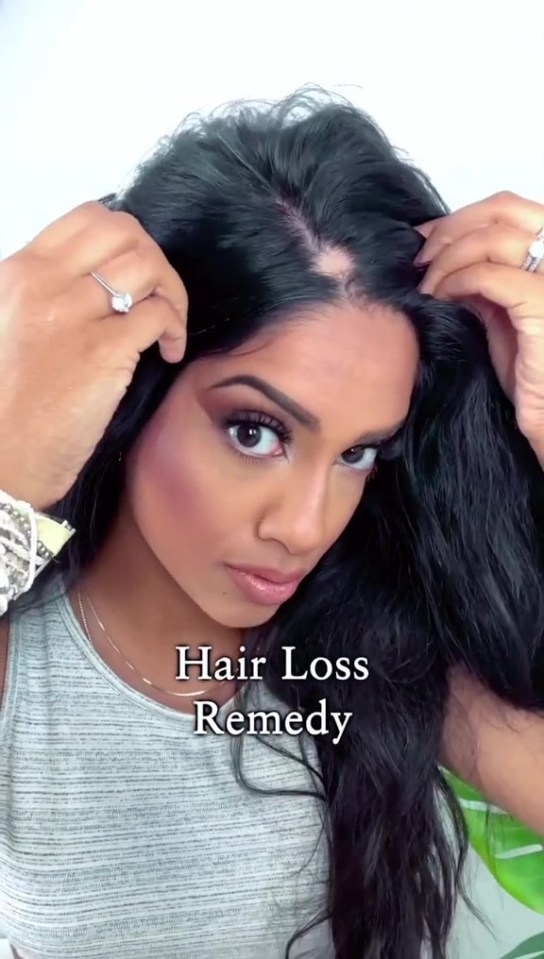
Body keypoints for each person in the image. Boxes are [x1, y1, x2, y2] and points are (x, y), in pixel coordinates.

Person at [0, 91, 543, 959]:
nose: (304, 526)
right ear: (133, 390)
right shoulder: (24, 668)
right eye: (255, 432)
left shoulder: (360, 651)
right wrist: (8, 466)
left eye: (360, 453)